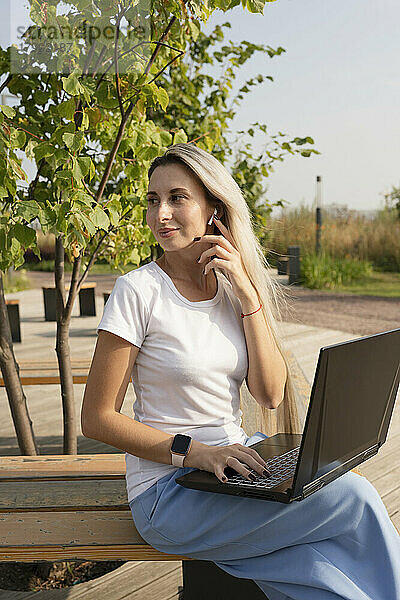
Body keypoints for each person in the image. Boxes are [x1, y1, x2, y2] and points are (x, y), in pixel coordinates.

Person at [81, 143, 400, 600]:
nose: (161, 214)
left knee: (323, 580)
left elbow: (269, 395)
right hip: (169, 492)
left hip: (239, 467)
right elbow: (97, 419)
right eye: (153, 200)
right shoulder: (138, 291)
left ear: (213, 209)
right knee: (356, 497)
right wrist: (198, 453)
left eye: (177, 198)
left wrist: (249, 298)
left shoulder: (232, 290)